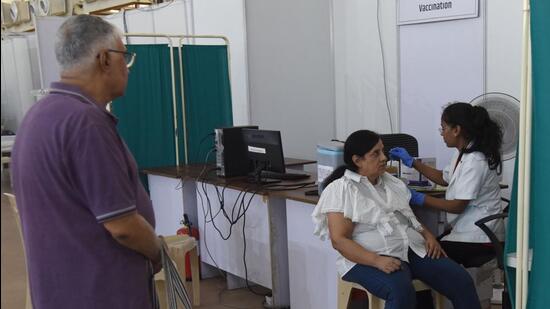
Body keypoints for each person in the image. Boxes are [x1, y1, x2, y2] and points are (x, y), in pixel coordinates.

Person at [11, 15, 161, 309]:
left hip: (60, 289)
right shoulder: (86, 123)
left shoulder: (37, 116)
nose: (127, 68)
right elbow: (122, 225)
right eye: (124, 57)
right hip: (101, 292)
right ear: (104, 59)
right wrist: (156, 251)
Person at [312, 130, 481, 309]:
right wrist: (377, 260)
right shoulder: (341, 189)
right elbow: (339, 240)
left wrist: (428, 235)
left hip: (410, 248)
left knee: (460, 280)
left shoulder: (391, 183)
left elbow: (406, 217)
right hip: (368, 256)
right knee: (400, 291)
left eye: (383, 151)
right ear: (357, 160)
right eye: (375, 154)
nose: (384, 158)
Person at [389, 102, 504, 267]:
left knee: (422, 256)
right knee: (423, 249)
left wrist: (419, 198)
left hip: (479, 237)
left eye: (443, 128)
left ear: (456, 130)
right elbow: (445, 177)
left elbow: (458, 206)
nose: (442, 134)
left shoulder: (475, 160)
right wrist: (412, 162)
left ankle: (432, 293)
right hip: (465, 230)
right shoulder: (462, 152)